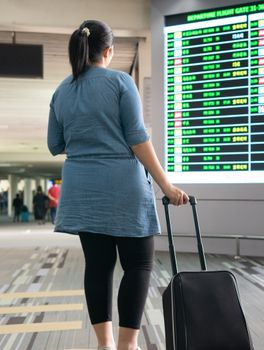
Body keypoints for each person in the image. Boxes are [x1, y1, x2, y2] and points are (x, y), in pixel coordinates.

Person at [47, 20, 188, 350]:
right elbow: (138, 141)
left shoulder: (62, 90)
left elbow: (56, 143)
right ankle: (127, 345)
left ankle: (105, 344)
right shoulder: (121, 82)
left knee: (98, 266)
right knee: (138, 264)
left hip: (82, 189)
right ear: (108, 51)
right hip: (124, 188)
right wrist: (167, 186)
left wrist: (89, 142)